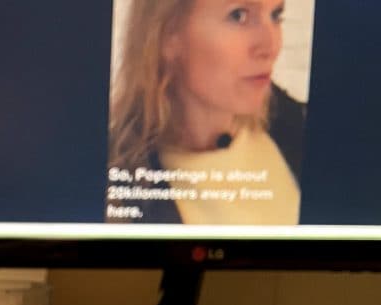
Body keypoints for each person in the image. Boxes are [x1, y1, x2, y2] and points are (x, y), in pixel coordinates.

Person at [105, 0, 303, 225]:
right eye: (239, 16)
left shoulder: (297, 125)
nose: (272, 47)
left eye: (275, 15)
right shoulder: (116, 190)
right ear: (168, 33)